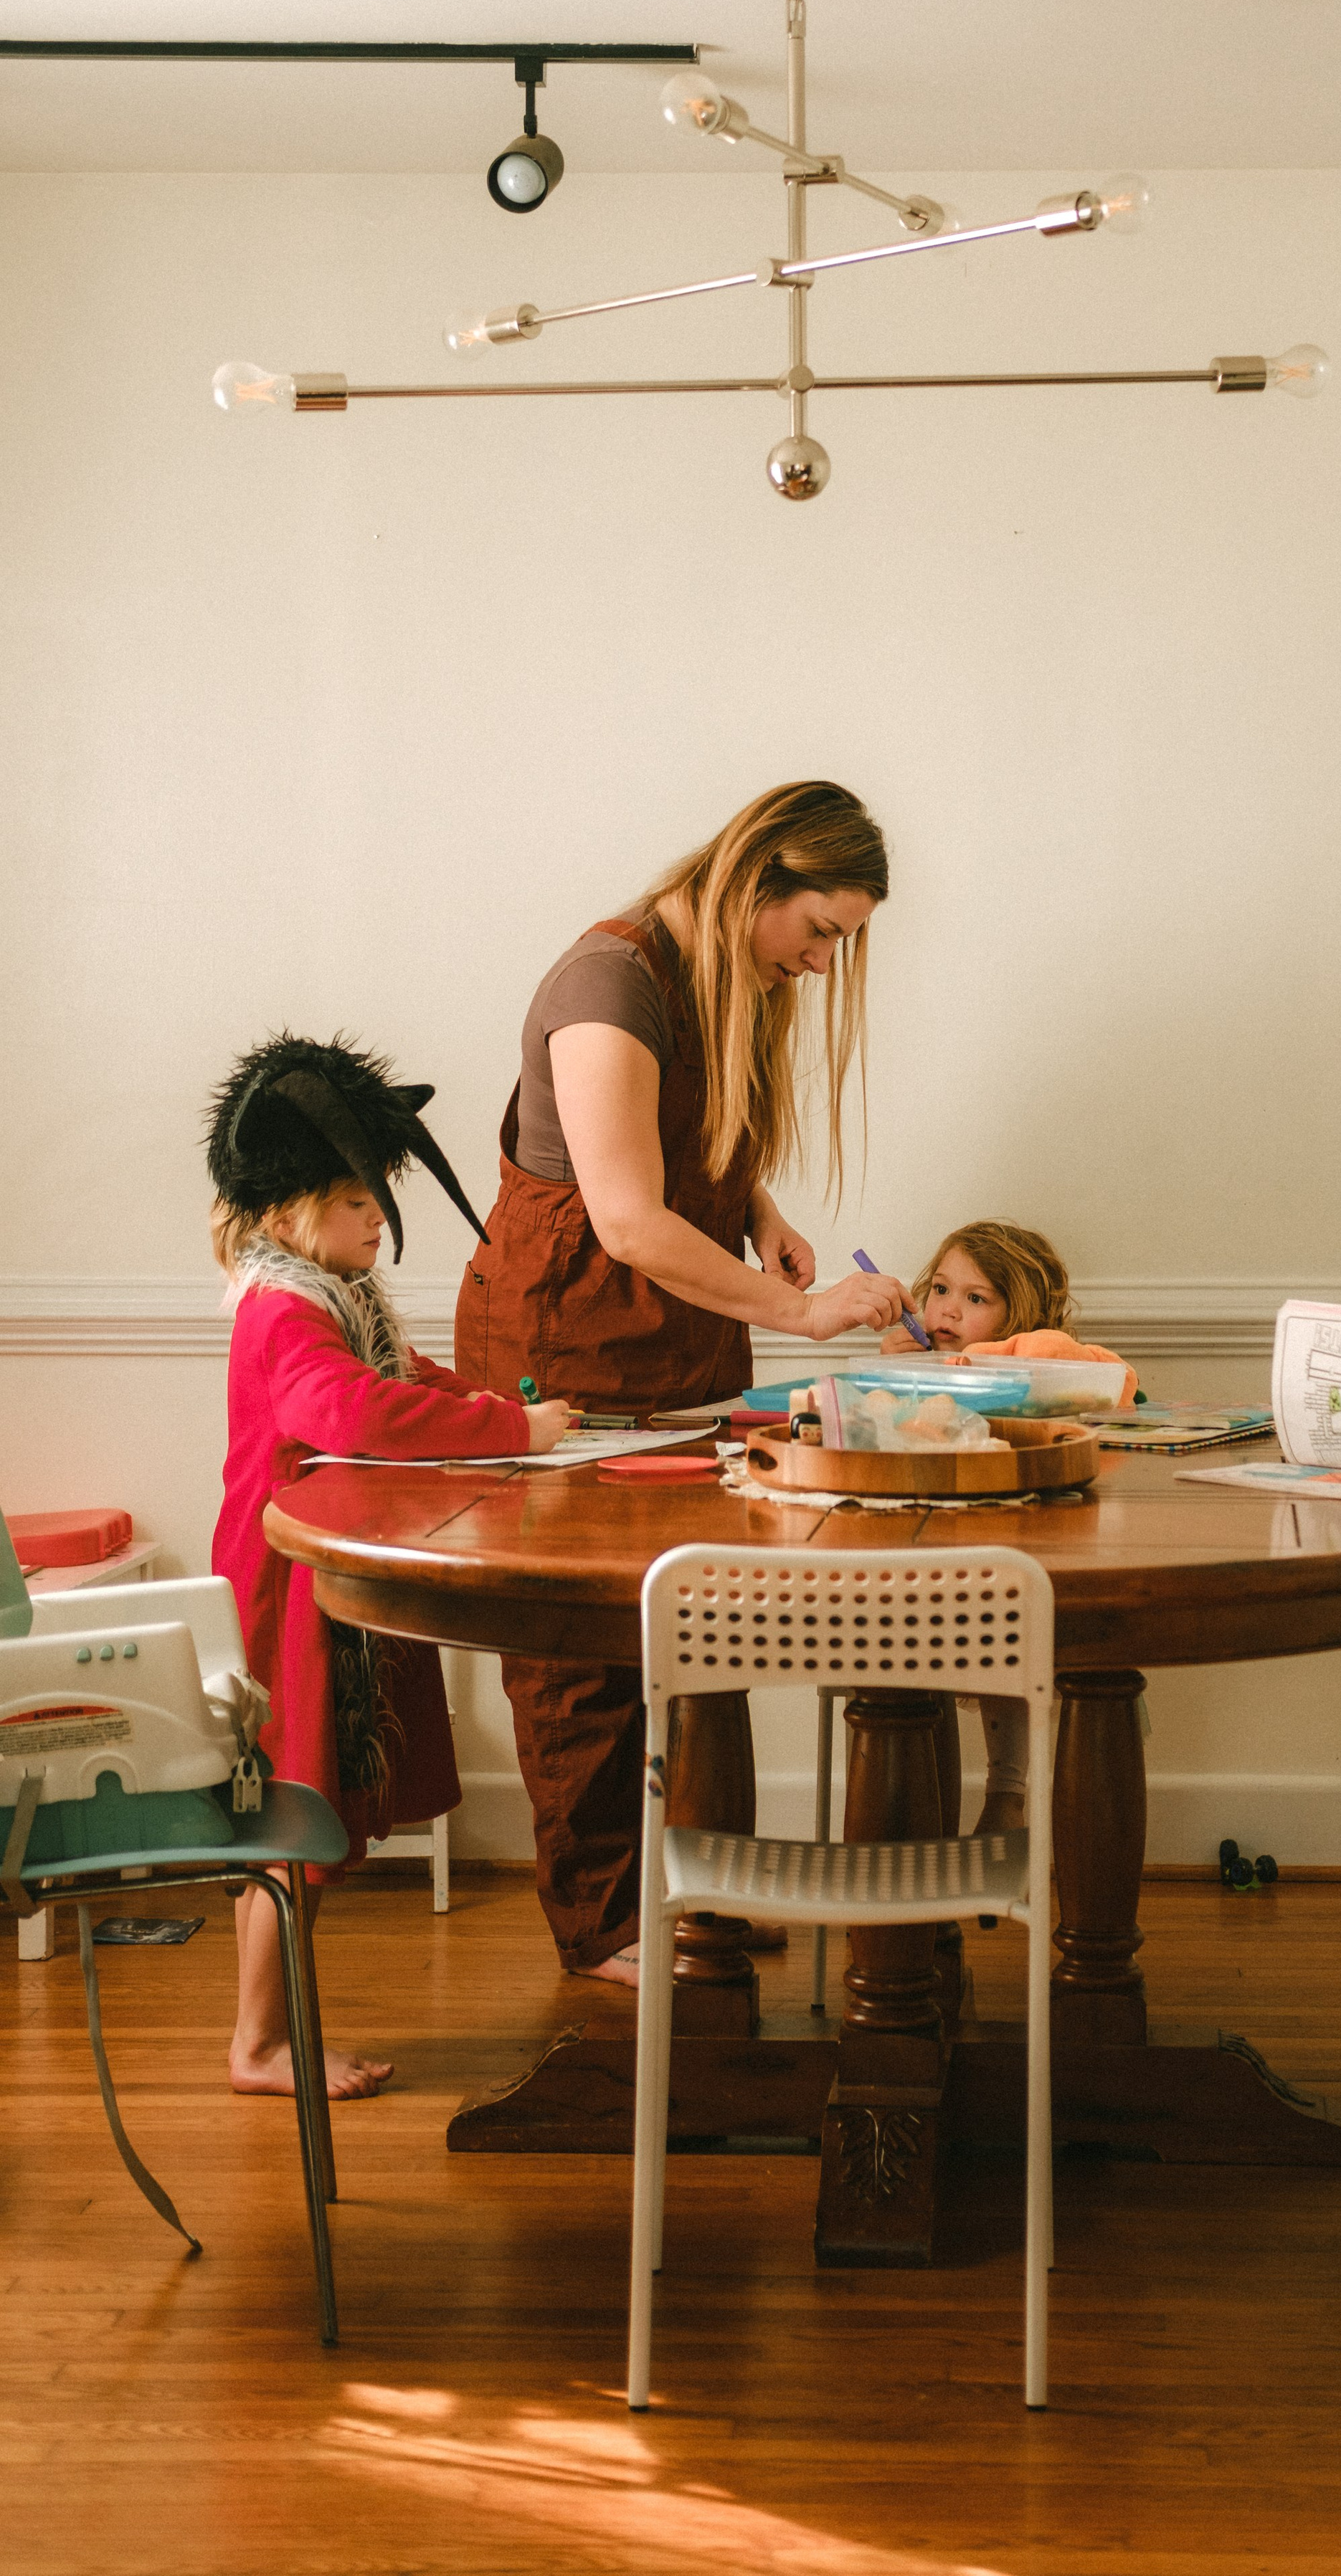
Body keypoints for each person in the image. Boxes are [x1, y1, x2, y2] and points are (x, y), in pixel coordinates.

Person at [455, 781, 914, 1985]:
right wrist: (801, 1312)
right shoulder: (609, 984)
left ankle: (699, 1893)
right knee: (583, 1656)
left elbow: (685, 1135)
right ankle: (606, 1924)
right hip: (566, 1343)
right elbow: (626, 1217)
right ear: (760, 878)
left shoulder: (732, 976)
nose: (821, 963)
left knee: (695, 1627)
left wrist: (760, 1212)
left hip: (673, 1341)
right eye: (819, 929)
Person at [208, 1034, 571, 2096]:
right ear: (289, 1213)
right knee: (296, 1813)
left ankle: (266, 2035)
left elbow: (404, 1377)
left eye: (380, 1199)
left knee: (308, 1811)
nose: (379, 1219)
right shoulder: (286, 1310)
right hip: (289, 1587)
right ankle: (259, 2044)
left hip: (314, 1577)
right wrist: (511, 1431)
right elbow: (355, 1410)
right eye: (356, 1200)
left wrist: (494, 1408)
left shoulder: (336, 1299)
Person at [882, 1219, 1137, 1833]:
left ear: (1018, 1318)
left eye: (976, 1298)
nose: (948, 1309)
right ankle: (949, 1822)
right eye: (941, 1289)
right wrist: (898, 1377)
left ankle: (1008, 1791)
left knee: (1009, 1635)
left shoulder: (1043, 1364)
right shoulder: (918, 1364)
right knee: (908, 1664)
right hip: (917, 1557)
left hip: (1012, 1562)